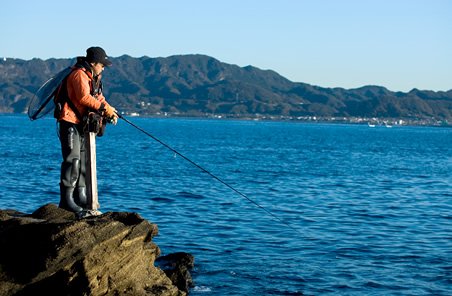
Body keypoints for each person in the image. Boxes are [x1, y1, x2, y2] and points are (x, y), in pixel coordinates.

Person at [57, 46, 118, 214]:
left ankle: (80, 195)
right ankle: (66, 200)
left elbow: (98, 97)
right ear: (93, 63)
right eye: (102, 65)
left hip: (81, 123)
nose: (104, 68)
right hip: (69, 121)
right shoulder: (78, 74)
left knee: (83, 159)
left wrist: (111, 110)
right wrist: (104, 108)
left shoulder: (93, 77)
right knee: (72, 160)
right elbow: (84, 97)